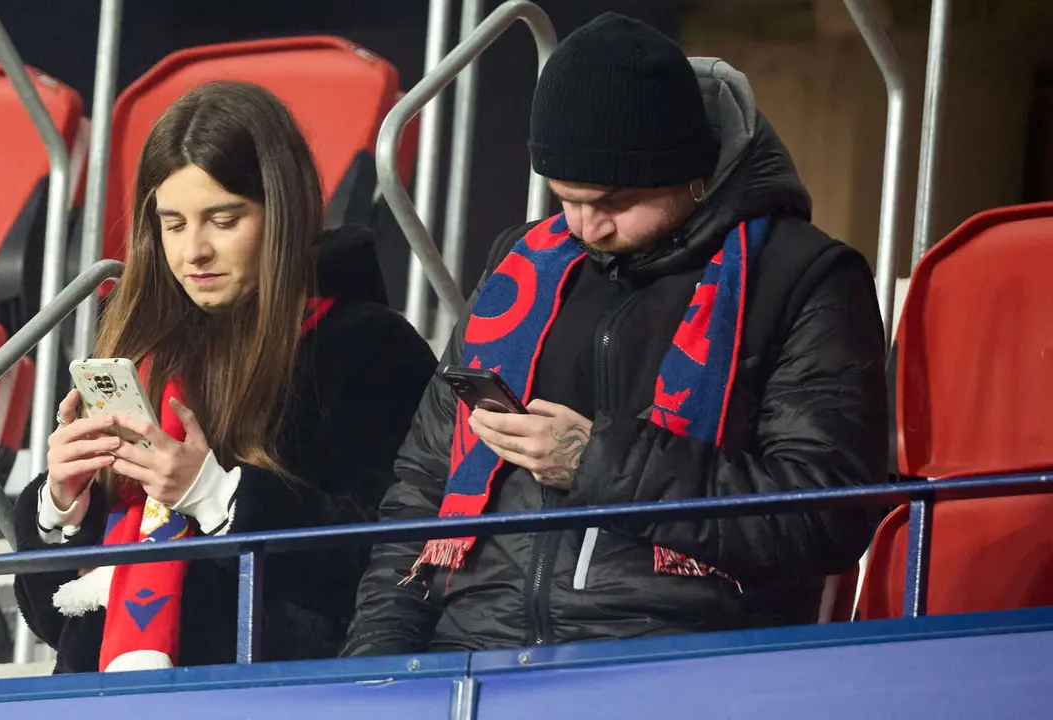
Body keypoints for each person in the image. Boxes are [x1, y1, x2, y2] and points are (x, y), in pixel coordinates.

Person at [342, 13, 887, 656]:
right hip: (470, 655)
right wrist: (376, 661)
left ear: (691, 172)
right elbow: (422, 491)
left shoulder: (804, 276)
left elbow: (828, 510)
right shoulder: (523, 262)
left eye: (612, 202)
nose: (585, 228)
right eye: (564, 197)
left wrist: (595, 461)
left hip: (680, 658)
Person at [12, 81, 437, 673]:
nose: (194, 251)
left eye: (223, 219)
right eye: (173, 223)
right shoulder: (140, 352)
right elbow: (60, 626)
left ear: (282, 213)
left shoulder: (370, 347)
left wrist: (216, 495)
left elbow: (397, 563)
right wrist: (61, 504)